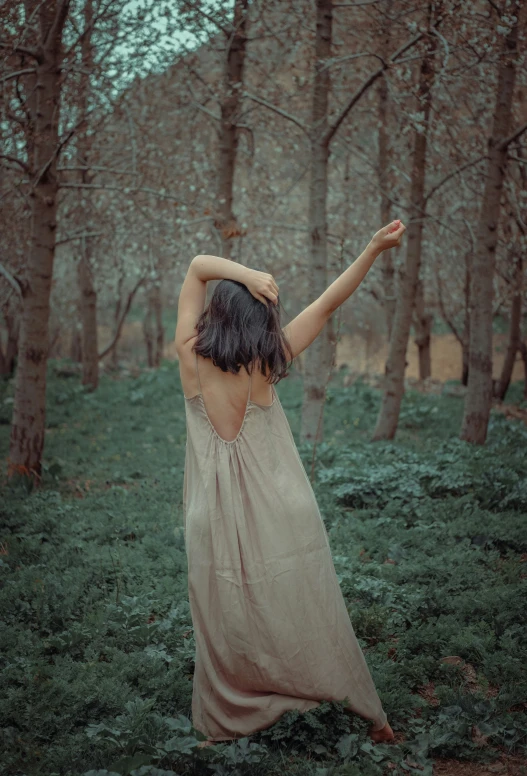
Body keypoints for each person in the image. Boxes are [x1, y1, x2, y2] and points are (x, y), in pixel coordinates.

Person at [175, 219, 406, 749]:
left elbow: (196, 268)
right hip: (281, 507)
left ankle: (224, 720)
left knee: (223, 615)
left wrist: (245, 273)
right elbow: (326, 305)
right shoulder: (266, 359)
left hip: (211, 510)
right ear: (258, 316)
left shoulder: (189, 355)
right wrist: (372, 247)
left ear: (219, 311)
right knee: (306, 609)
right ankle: (372, 716)